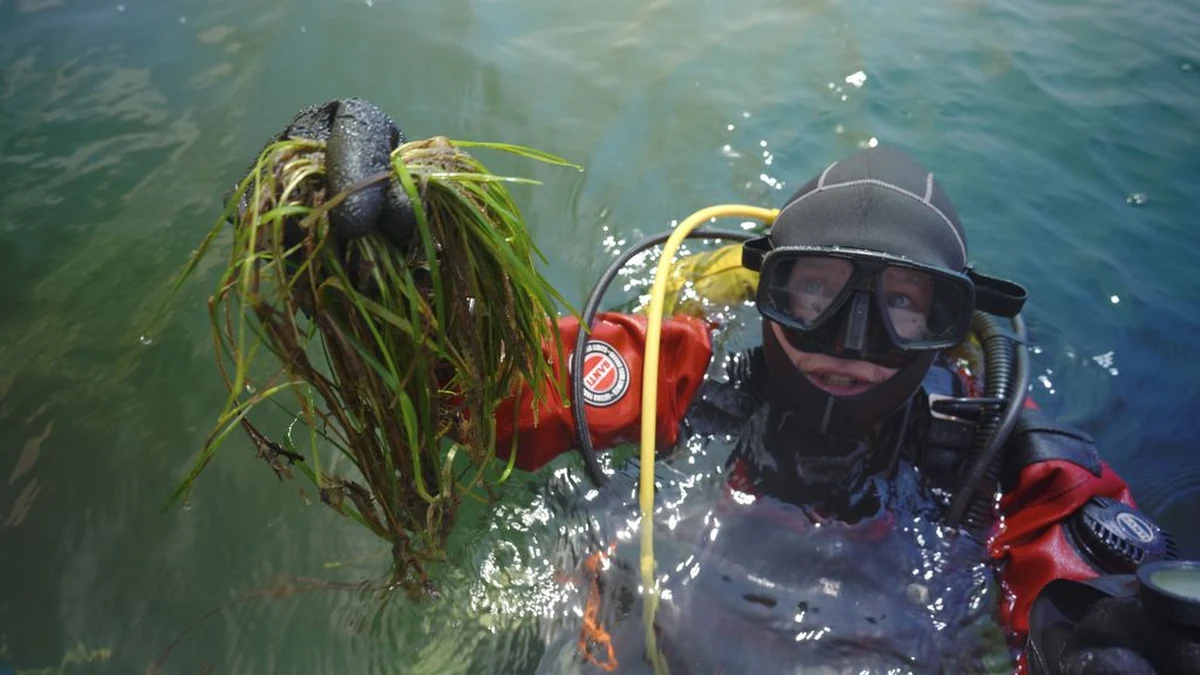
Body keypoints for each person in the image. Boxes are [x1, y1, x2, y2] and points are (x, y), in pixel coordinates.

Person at [244, 99, 1198, 675]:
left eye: (907, 308)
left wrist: (1101, 632)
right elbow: (497, 379)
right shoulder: (690, 379)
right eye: (815, 292)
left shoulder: (992, 457)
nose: (852, 342)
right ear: (767, 286)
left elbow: (1077, 551)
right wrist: (373, 262)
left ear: (953, 328)